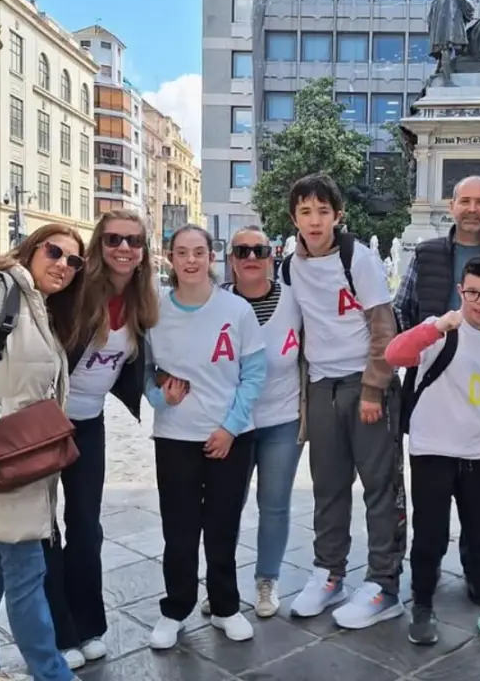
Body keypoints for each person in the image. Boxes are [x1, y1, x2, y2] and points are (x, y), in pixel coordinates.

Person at [0, 225, 103, 681]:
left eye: (74, 263)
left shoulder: (34, 304)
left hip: (17, 461)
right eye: (55, 253)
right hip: (5, 457)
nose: (64, 267)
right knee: (27, 569)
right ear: (32, 249)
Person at [394, 174, 480, 601]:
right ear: (451, 206)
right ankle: (427, 572)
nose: (472, 209)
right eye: (464, 201)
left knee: (479, 505)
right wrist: (424, 345)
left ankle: (478, 572)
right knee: (431, 508)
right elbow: (402, 309)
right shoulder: (428, 253)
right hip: (436, 385)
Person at [283, 173, 406, 629]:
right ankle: (329, 572)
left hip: (364, 385)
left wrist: (374, 388)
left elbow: (383, 326)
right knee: (328, 487)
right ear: (294, 217)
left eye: (322, 211)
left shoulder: (360, 259)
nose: (314, 221)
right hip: (321, 386)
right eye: (304, 212)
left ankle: (383, 584)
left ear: (338, 215)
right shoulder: (291, 265)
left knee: (379, 486)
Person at [42, 210, 158, 670]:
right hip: (46, 424)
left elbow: (140, 363)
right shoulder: (73, 292)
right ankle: (59, 632)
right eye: (113, 239)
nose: (124, 248)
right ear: (99, 245)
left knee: (86, 528)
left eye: (133, 241)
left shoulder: (142, 302)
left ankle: (89, 625)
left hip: (89, 426)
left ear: (143, 251)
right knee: (44, 531)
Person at [385, 255, 480, 648]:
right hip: (431, 450)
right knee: (430, 535)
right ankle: (422, 603)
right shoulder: (438, 330)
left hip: (477, 455)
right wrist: (436, 327)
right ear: (461, 291)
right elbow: (395, 355)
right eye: (474, 293)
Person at [145, 225, 267, 650]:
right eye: (182, 252)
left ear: (212, 257)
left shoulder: (236, 310)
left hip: (229, 437)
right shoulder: (154, 310)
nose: (191, 260)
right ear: (170, 258)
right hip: (175, 437)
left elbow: (254, 374)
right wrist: (159, 398)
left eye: (199, 251)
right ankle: (175, 608)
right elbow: (143, 372)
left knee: (221, 526)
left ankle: (225, 606)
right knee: (178, 530)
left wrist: (230, 427)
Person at [204, 225, 303, 618]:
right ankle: (220, 585)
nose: (250, 258)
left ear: (272, 257)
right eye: (241, 251)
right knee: (224, 507)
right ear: (230, 259)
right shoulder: (216, 302)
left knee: (274, 505)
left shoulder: (295, 302)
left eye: (259, 251)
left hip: (282, 419)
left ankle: (268, 580)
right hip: (232, 424)